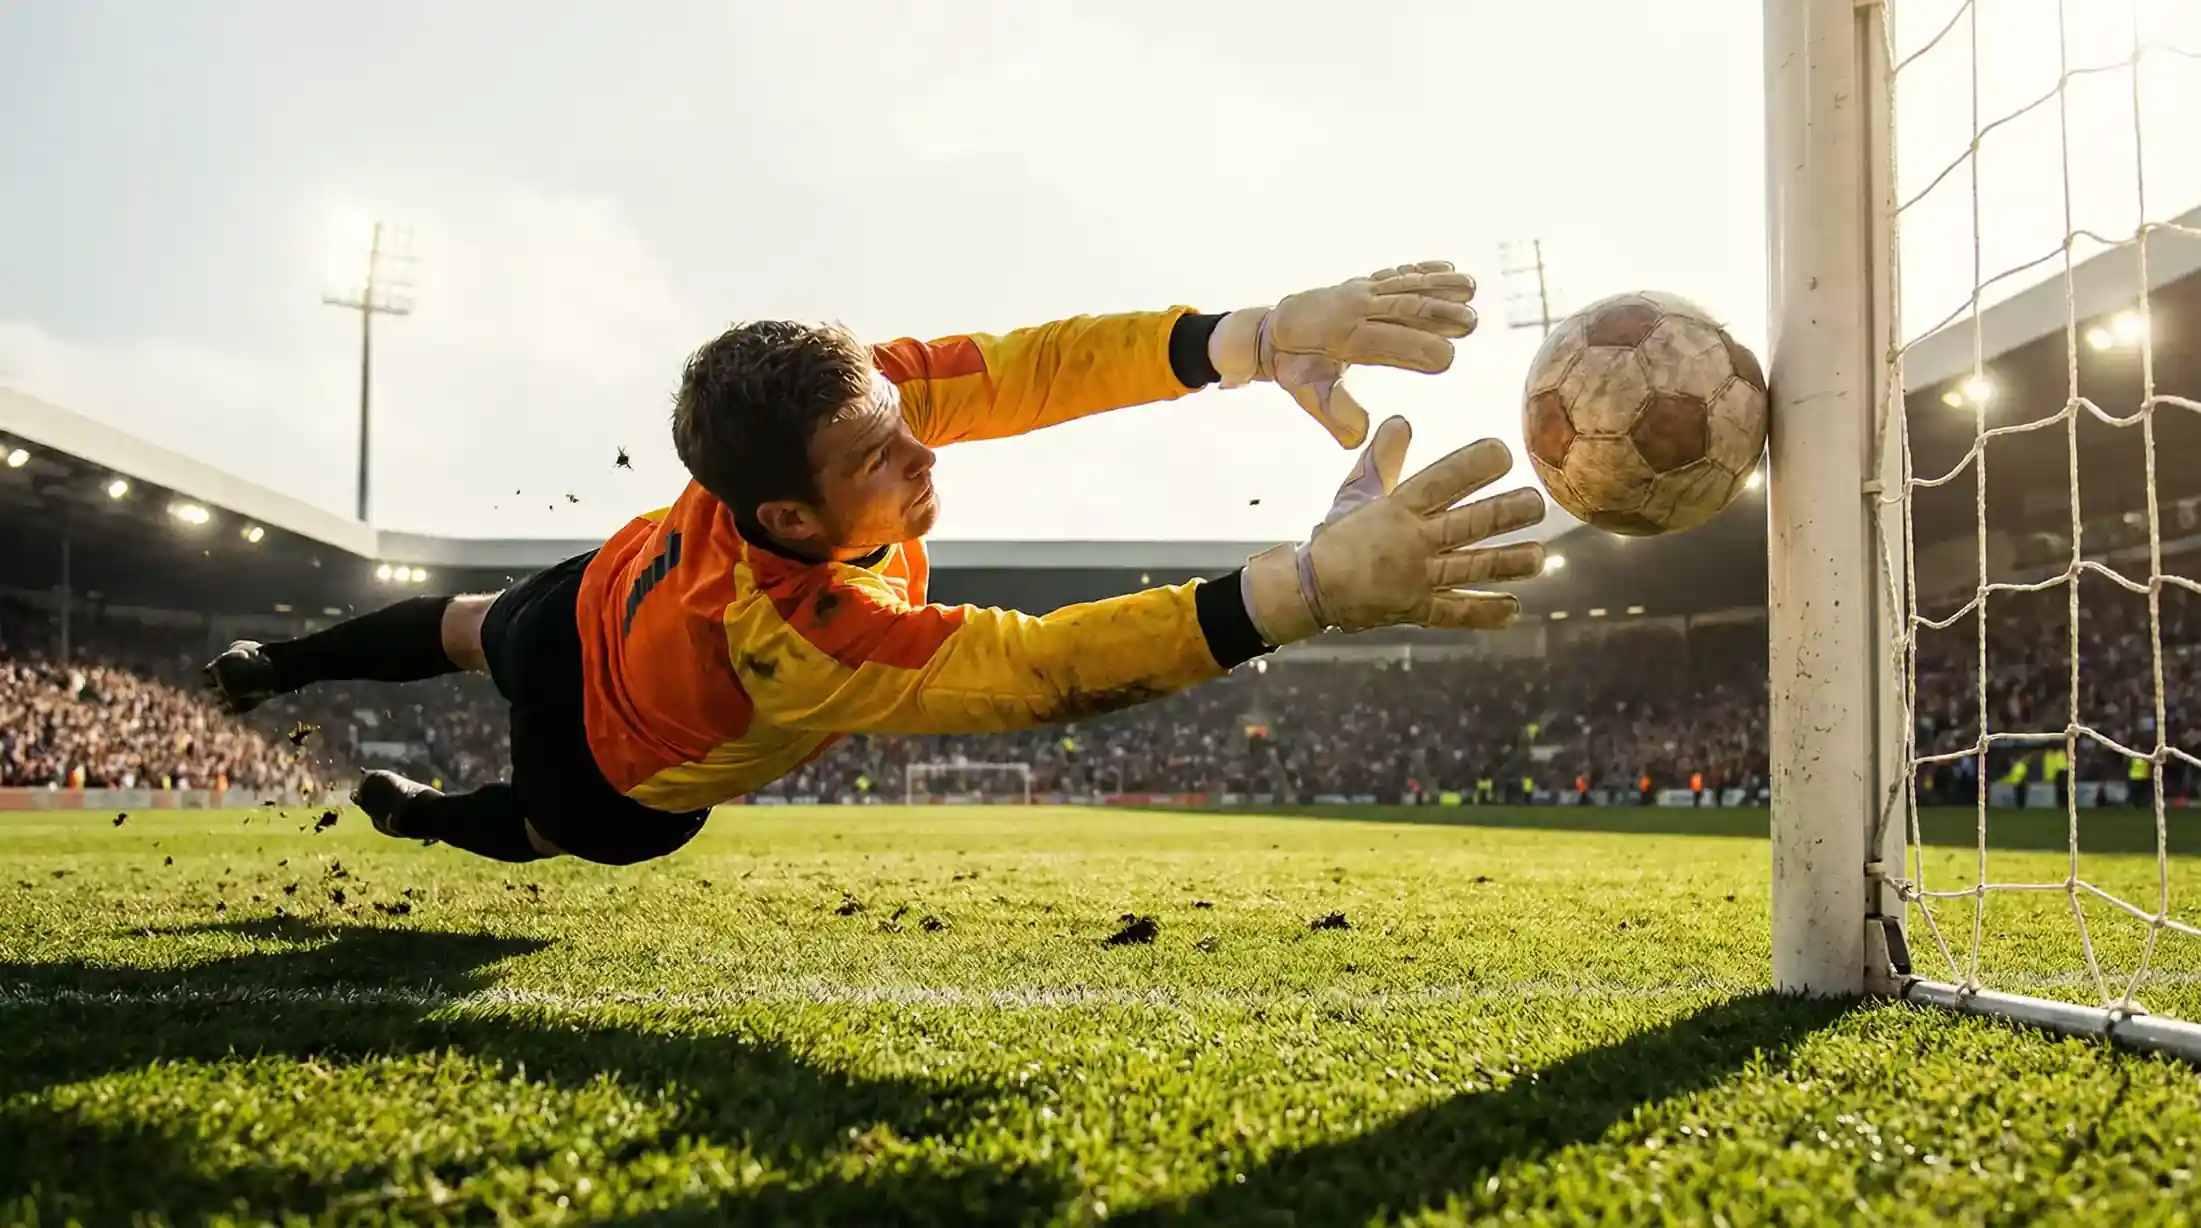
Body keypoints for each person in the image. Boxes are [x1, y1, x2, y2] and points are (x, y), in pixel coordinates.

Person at [202, 262, 1547, 866]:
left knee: (493, 688)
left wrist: (1248, 336)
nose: (920, 454)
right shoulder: (804, 635)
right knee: (507, 721)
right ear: (787, 521)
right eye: (877, 462)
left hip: (616, 651)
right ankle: (317, 699)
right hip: (624, 705)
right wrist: (1301, 589)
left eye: (903, 428)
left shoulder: (856, 406)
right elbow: (1039, 675)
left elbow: (1028, 370)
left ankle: (378, 774)